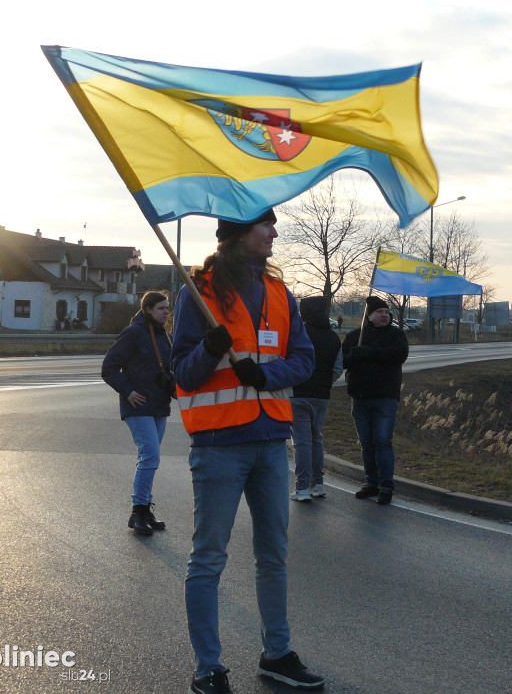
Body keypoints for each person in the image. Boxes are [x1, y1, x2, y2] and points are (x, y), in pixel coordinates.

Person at [171, 209, 324, 693]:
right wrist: (210, 349)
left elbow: (304, 358)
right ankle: (208, 667)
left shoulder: (281, 293)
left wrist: (269, 375)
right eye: (267, 226)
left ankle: (276, 654)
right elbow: (183, 373)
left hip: (273, 442)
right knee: (208, 557)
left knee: (274, 555)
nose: (275, 233)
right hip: (219, 444)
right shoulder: (198, 292)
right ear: (239, 235)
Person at [100, 290, 175, 536]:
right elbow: (109, 367)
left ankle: (145, 510)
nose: (166, 311)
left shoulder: (165, 335)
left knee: (151, 460)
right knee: (150, 455)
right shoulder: (134, 333)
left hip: (159, 405)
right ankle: (138, 510)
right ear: (148, 310)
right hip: (138, 405)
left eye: (167, 307)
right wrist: (128, 392)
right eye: (161, 307)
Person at [341, 296, 410, 505]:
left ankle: (386, 486)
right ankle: (371, 482)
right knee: (366, 444)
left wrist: (371, 353)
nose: (384, 315)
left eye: (387, 312)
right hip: (360, 397)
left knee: (382, 441)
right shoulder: (355, 336)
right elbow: (342, 361)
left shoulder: (396, 335)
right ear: (369, 316)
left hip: (385, 397)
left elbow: (399, 355)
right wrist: (353, 356)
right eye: (380, 312)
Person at [290, 296, 343, 502]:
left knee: (301, 442)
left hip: (298, 393)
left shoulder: (298, 334)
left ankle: (302, 487)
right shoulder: (333, 337)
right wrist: (325, 383)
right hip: (322, 395)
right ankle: (318, 484)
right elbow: (338, 367)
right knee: (316, 439)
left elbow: (288, 361)